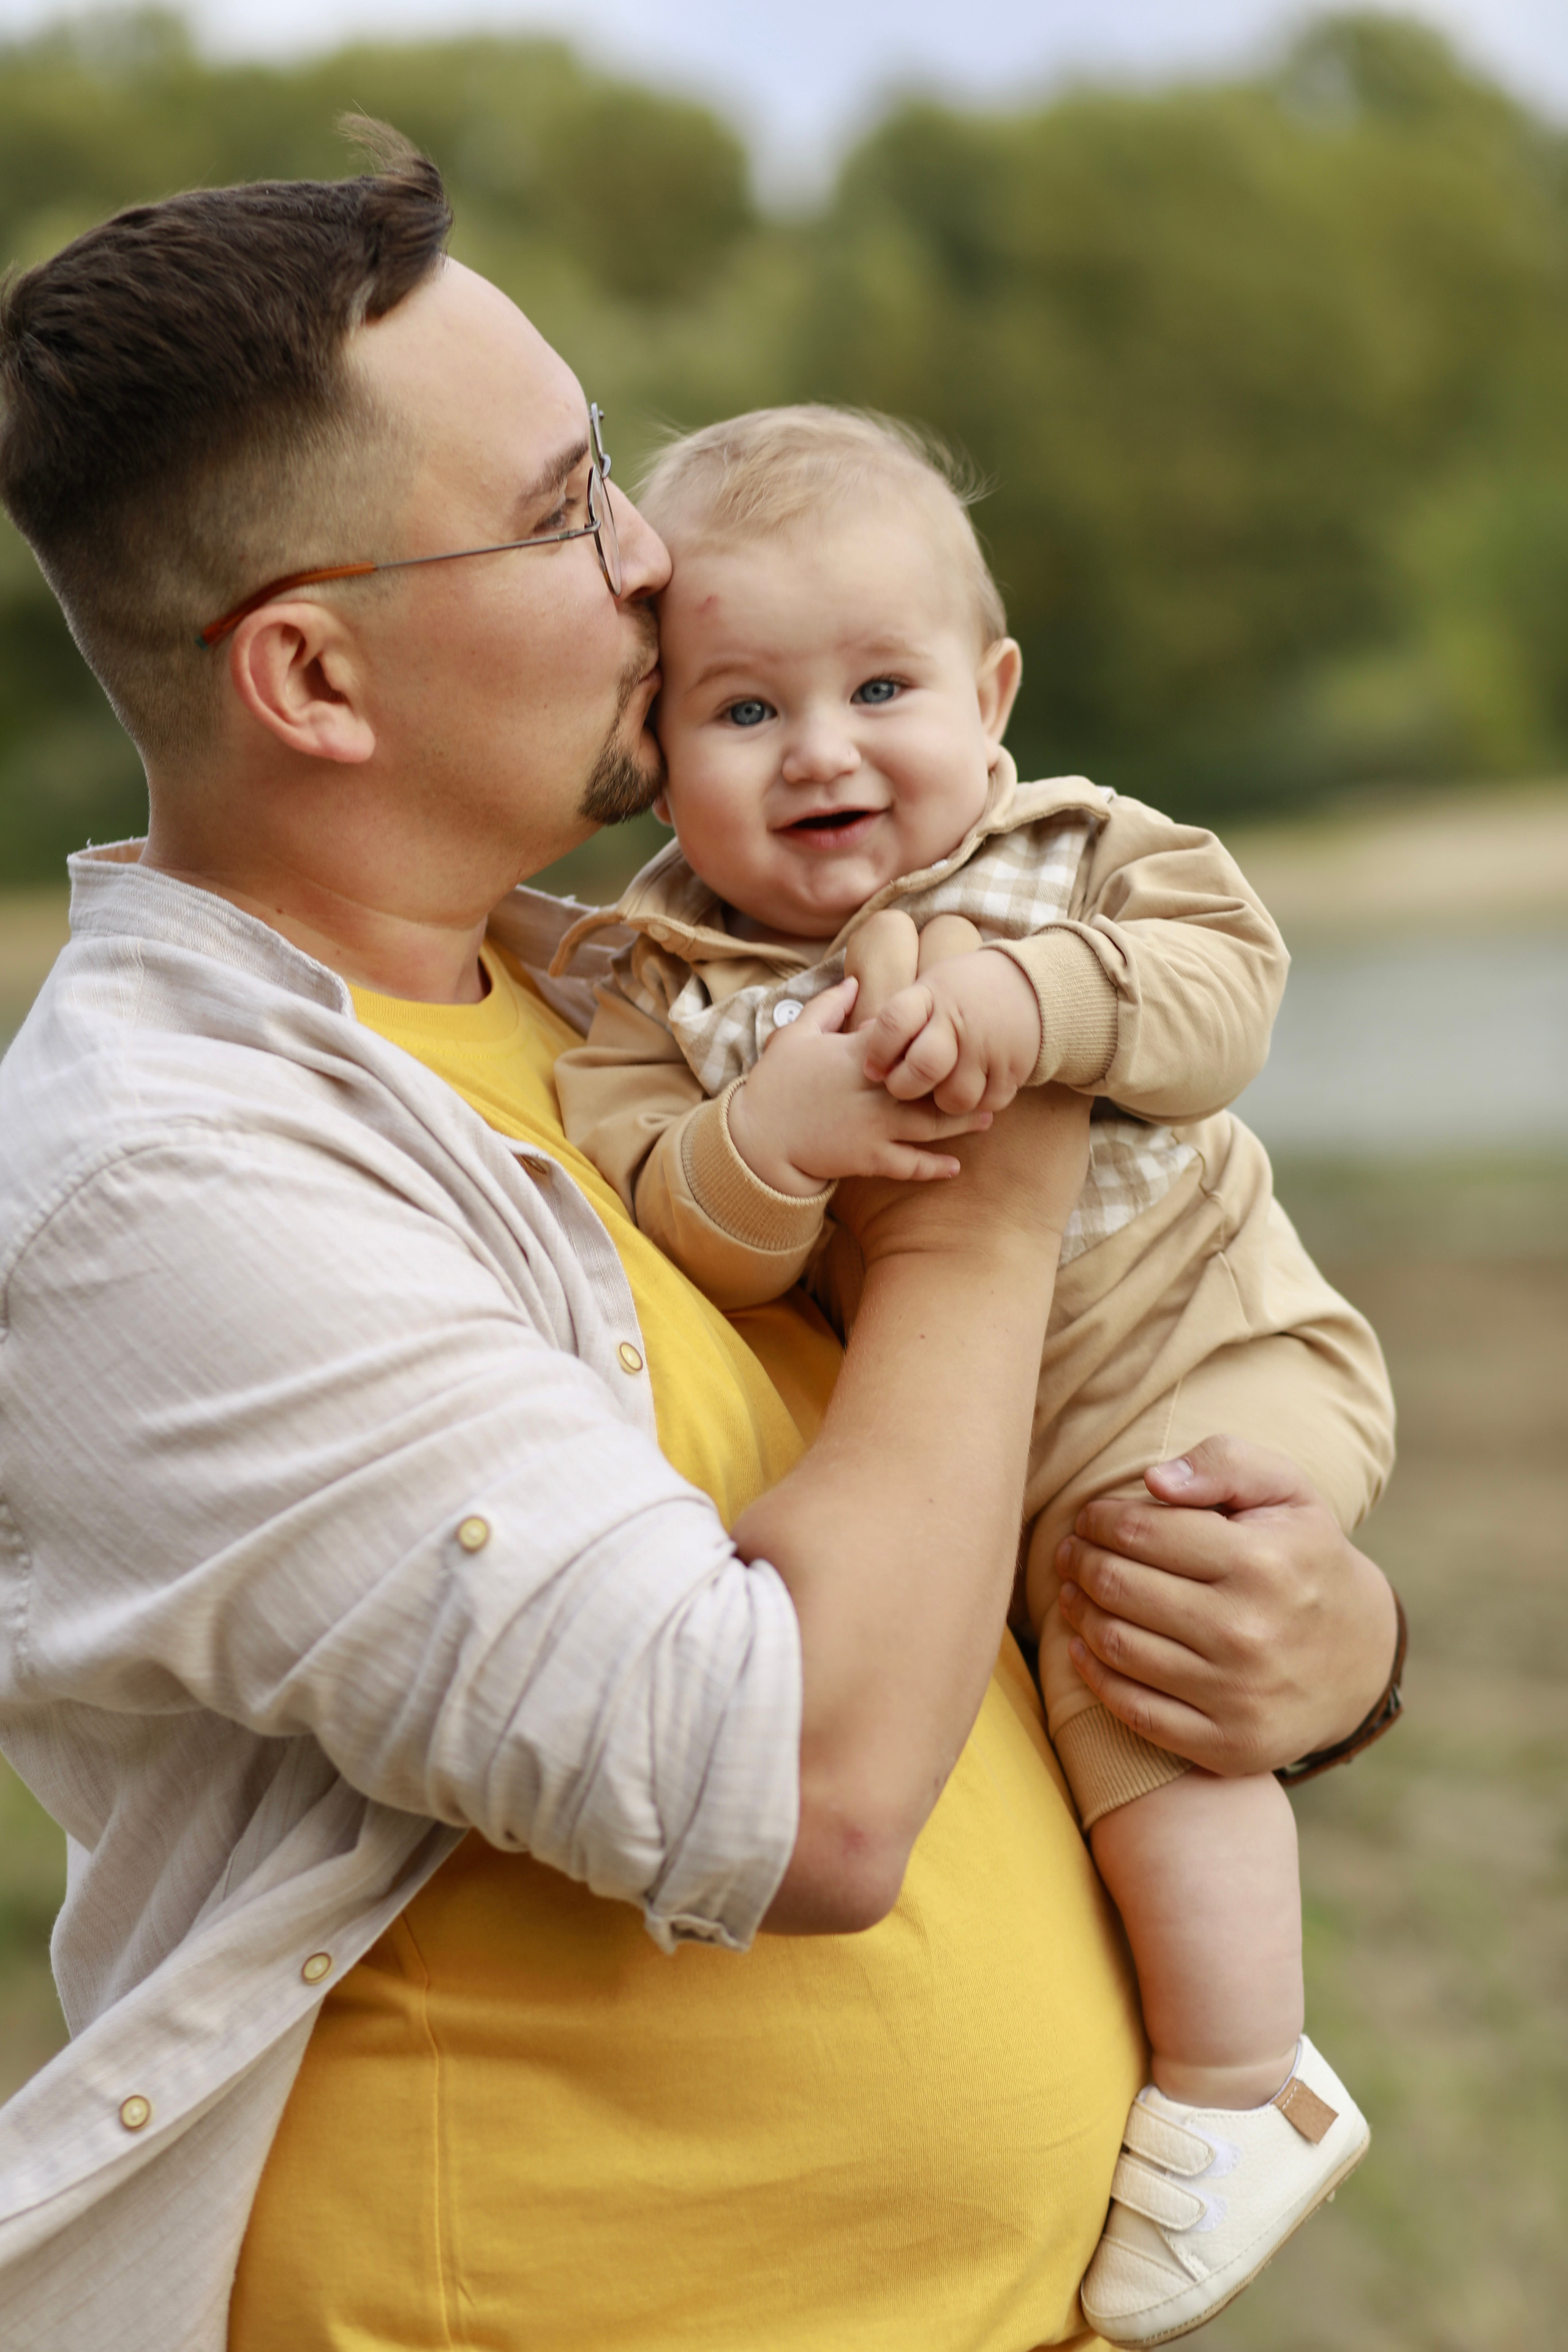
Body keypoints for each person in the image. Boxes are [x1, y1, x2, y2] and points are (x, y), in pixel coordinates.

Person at [0, 132, 1403, 2352]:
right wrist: (992, 1179)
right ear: (314, 680)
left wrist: (1298, 1643)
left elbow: (951, 1503)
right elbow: (806, 1792)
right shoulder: (174, 1190)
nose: (653, 559)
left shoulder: (623, 993)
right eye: (566, 506)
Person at [550, 405, 1402, 2343]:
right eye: (744, 710)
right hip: (976, 1446)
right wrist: (774, 1138)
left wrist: (1037, 994)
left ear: (991, 693)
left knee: (1139, 1637)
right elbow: (681, 1223)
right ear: (652, 751)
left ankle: (1243, 2083)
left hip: (1206, 1346)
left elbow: (1226, 991)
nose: (822, 749)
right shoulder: (651, 990)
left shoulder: (1075, 852)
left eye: (881, 688)